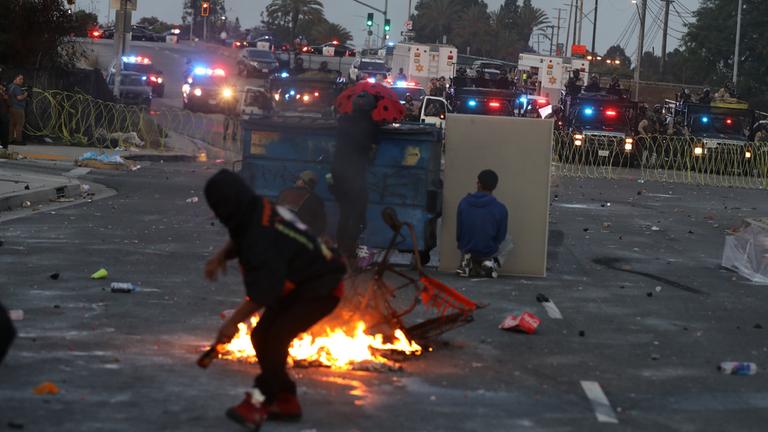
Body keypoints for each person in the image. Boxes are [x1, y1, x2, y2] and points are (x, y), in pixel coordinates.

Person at [203, 169, 346, 431]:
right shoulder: (256, 208)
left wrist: (231, 323)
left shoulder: (261, 237)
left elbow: (263, 294)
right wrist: (221, 257)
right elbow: (241, 233)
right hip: (301, 282)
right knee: (260, 336)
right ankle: (286, 398)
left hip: (322, 287)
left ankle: (258, 402)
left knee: (277, 337)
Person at [330, 92, 378, 261]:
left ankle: (342, 247)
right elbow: (372, 149)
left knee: (344, 213)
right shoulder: (371, 125)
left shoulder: (343, 121)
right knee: (358, 214)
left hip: (337, 173)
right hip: (355, 175)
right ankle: (349, 249)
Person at [456, 170, 508, 279]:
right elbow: (501, 236)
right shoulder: (500, 208)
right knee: (508, 241)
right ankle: (489, 262)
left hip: (466, 247)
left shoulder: (463, 203)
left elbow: (459, 233)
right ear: (494, 186)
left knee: (467, 238)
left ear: (478, 183)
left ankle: (467, 261)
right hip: (488, 249)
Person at [277, 171, 327, 238]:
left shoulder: (283, 193)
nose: (296, 181)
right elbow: (320, 225)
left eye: (298, 179)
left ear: (301, 182)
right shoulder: (316, 199)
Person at [7, 75, 27, 145]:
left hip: (11, 108)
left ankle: (10, 139)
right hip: (18, 109)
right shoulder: (17, 87)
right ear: (15, 79)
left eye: (22, 79)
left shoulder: (10, 86)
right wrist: (25, 94)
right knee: (19, 124)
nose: (22, 80)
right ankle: (18, 141)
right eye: (20, 79)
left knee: (11, 125)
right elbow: (19, 98)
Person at [0, 81, 9, 150]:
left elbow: (10, 103)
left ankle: (4, 146)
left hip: (4, 114)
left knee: (4, 130)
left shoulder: (5, 93)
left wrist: (5, 96)